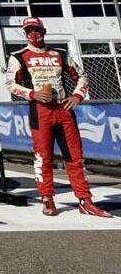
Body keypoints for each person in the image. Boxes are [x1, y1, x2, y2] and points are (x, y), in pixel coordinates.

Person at [6, 16, 112, 218]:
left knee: (74, 156)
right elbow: (10, 84)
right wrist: (32, 94)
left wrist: (77, 95)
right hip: (40, 111)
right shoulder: (18, 57)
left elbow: (82, 75)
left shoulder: (60, 54)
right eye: (29, 31)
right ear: (25, 34)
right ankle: (47, 198)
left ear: (43, 31)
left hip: (64, 109)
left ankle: (85, 200)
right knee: (43, 157)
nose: (33, 34)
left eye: (36, 30)